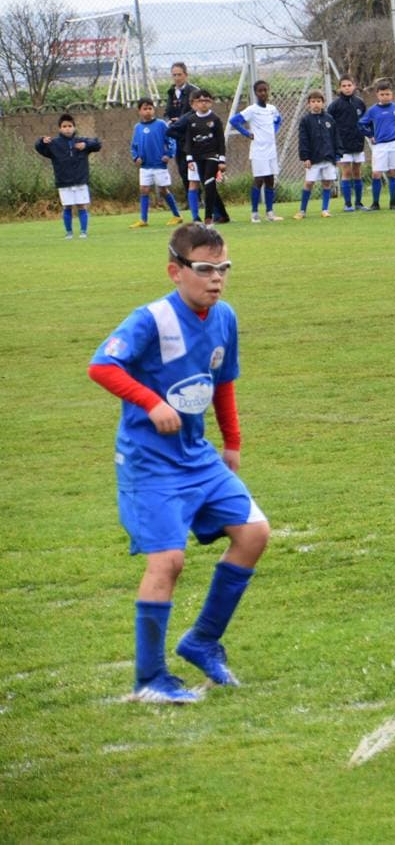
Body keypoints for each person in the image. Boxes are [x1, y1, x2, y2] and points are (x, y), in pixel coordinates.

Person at [87, 223, 271, 703]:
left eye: (223, 268)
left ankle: (202, 641)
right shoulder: (150, 319)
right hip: (149, 462)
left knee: (254, 534)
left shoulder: (224, 316)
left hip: (199, 456)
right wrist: (151, 403)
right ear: (176, 271)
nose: (217, 278)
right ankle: (150, 679)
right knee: (167, 561)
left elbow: (223, 378)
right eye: (205, 269)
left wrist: (232, 440)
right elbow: (101, 365)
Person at [34, 113, 102, 240]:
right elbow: (38, 147)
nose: (67, 128)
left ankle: (83, 231)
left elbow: (98, 144)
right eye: (64, 126)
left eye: (70, 126)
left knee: (82, 206)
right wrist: (42, 141)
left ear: (74, 127)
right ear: (60, 128)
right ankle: (69, 232)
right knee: (67, 207)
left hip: (80, 181)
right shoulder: (54, 144)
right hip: (64, 182)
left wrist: (86, 145)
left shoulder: (81, 142)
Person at [170, 90, 228, 226]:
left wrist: (222, 160)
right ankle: (219, 215)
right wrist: (189, 158)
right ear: (194, 103)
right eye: (200, 101)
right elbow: (189, 140)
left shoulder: (215, 119)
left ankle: (208, 217)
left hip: (212, 156)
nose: (203, 103)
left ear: (211, 102)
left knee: (208, 183)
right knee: (204, 184)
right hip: (197, 157)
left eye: (206, 100)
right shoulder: (191, 120)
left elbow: (221, 140)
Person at [230, 80, 284, 223]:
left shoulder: (272, 108)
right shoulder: (252, 110)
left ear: (268, 91)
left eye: (265, 90)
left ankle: (270, 212)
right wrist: (247, 133)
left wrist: (274, 130)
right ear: (255, 93)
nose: (263, 93)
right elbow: (234, 121)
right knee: (258, 180)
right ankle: (254, 213)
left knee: (270, 180)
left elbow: (279, 120)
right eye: (260, 91)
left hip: (271, 149)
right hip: (258, 150)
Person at [356, 79, 395, 211]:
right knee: (376, 173)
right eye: (382, 94)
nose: (385, 97)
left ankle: (393, 202)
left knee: (393, 173)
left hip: (394, 144)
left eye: (387, 94)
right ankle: (375, 203)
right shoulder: (373, 110)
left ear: (392, 95)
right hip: (380, 146)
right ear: (377, 95)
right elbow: (361, 124)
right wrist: (370, 134)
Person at [130, 97, 183, 229]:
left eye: (150, 108)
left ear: (153, 110)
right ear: (139, 111)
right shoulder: (137, 127)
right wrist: (136, 157)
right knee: (144, 189)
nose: (148, 111)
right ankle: (143, 219)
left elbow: (171, 140)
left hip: (159, 164)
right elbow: (134, 145)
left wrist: (168, 154)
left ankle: (177, 215)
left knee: (163, 190)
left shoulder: (161, 124)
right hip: (145, 165)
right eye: (144, 109)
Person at [294, 90, 339, 220]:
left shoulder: (329, 119)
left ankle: (325, 209)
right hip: (313, 159)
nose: (316, 104)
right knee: (309, 183)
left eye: (318, 101)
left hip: (328, 158)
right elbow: (303, 139)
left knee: (327, 183)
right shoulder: (305, 120)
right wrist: (305, 157)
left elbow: (335, 137)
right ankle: (302, 211)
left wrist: (337, 154)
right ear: (308, 104)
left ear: (323, 103)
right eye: (313, 101)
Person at [328, 75, 367, 212]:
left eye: (349, 85)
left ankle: (359, 203)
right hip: (342, 145)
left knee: (357, 172)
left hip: (358, 143)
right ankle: (348, 204)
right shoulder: (335, 106)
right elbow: (330, 125)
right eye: (344, 86)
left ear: (354, 86)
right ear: (339, 88)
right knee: (347, 172)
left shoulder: (360, 103)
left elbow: (364, 122)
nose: (347, 88)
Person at [163, 62, 199, 204]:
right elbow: (167, 112)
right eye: (174, 75)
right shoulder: (171, 92)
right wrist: (169, 121)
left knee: (195, 168)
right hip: (178, 136)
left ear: (186, 75)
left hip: (191, 134)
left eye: (179, 74)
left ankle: (200, 199)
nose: (177, 78)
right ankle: (190, 200)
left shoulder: (193, 91)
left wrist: (181, 120)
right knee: (183, 168)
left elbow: (195, 111)